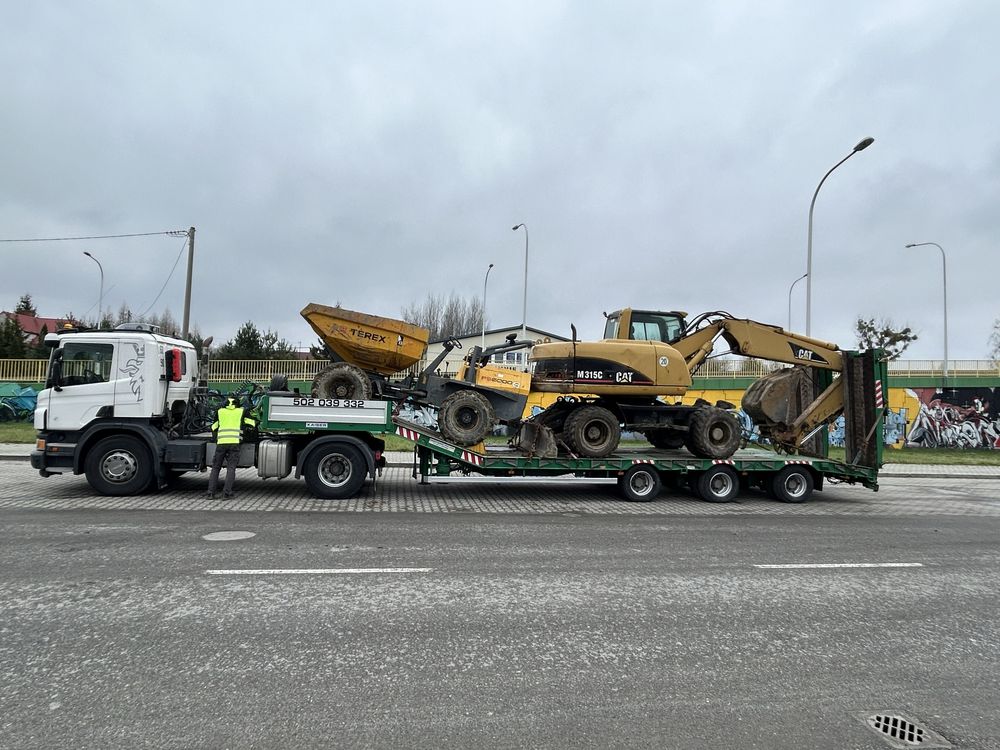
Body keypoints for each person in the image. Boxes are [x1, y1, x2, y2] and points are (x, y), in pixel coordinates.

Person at [206, 394, 257, 500]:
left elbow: (214, 427)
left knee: (215, 468)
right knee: (231, 468)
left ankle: (210, 493)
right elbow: (252, 424)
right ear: (237, 403)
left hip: (221, 443)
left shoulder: (220, 411)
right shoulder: (241, 412)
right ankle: (226, 493)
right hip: (234, 443)